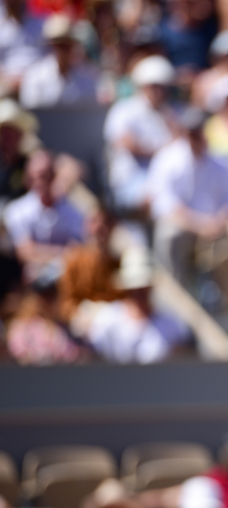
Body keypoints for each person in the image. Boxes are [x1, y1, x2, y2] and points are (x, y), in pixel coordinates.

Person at [146, 107, 228, 284]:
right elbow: (163, 204)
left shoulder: (220, 158)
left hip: (217, 224)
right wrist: (199, 225)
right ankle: (176, 291)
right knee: (168, 235)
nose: (196, 136)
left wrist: (220, 220)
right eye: (192, 132)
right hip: (185, 224)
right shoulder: (168, 158)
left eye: (199, 131)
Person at [84, 246, 190, 364]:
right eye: (134, 288)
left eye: (143, 287)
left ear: (150, 287)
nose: (139, 292)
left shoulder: (171, 325)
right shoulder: (107, 320)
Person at [103, 55, 176, 211]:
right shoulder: (124, 109)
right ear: (143, 85)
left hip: (161, 181)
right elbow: (125, 143)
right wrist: (162, 151)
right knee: (162, 202)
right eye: (154, 86)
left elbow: (179, 144)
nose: (159, 91)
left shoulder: (168, 115)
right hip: (130, 181)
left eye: (162, 87)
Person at [2, 148, 85, 281]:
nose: (39, 182)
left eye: (44, 175)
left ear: (54, 175)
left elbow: (78, 250)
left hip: (66, 279)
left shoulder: (73, 211)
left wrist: (41, 254)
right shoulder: (16, 211)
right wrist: (63, 253)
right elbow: (25, 253)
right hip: (31, 285)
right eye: (34, 177)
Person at [57, 205, 123, 322]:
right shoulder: (73, 261)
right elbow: (64, 304)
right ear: (85, 225)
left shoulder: (119, 265)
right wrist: (82, 316)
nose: (99, 227)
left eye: (106, 222)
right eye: (94, 221)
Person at [18, 13, 100, 108]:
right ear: (52, 46)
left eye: (67, 45)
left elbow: (88, 115)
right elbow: (32, 113)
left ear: (72, 45)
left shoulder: (86, 78)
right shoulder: (35, 77)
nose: (63, 50)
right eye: (59, 45)